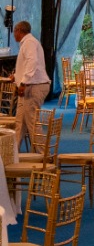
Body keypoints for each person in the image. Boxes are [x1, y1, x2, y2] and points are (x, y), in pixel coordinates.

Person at [13, 20, 50, 151]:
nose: (13, 34)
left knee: (32, 122)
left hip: (34, 87)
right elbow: (29, 64)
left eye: (14, 31)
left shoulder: (29, 42)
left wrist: (23, 82)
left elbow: (32, 62)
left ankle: (44, 156)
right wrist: (17, 77)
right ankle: (12, 154)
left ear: (19, 31)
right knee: (20, 122)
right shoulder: (28, 42)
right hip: (31, 86)